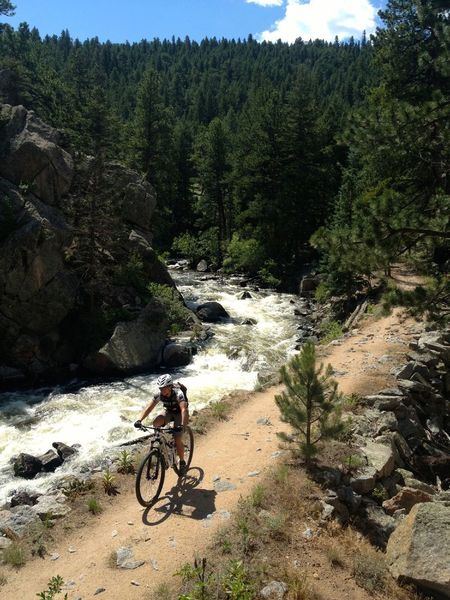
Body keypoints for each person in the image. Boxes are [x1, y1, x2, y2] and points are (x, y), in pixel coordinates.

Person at [134, 374, 189, 475]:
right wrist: (139, 420)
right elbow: (149, 408)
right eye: (160, 388)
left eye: (164, 388)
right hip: (169, 411)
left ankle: (182, 462)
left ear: (170, 386)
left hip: (180, 414)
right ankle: (162, 445)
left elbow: (183, 409)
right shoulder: (159, 395)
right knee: (156, 422)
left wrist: (181, 425)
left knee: (177, 439)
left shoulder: (178, 393)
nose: (162, 390)